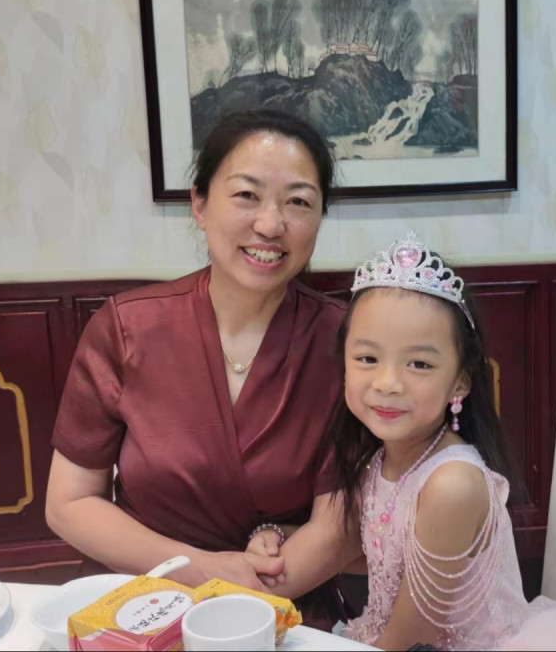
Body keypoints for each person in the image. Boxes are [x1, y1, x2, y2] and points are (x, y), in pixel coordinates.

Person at [254, 231, 556, 650]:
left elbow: (411, 639)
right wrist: (277, 533)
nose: (388, 383)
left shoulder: (451, 485)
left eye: (419, 364)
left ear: (460, 382)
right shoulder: (380, 459)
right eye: (368, 358)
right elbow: (379, 553)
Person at [45, 109, 351, 629]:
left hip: (282, 606)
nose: (271, 224)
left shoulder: (347, 342)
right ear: (200, 204)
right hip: (144, 601)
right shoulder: (127, 327)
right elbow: (70, 501)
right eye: (247, 195)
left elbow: (339, 526)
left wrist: (239, 605)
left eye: (298, 201)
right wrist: (204, 572)